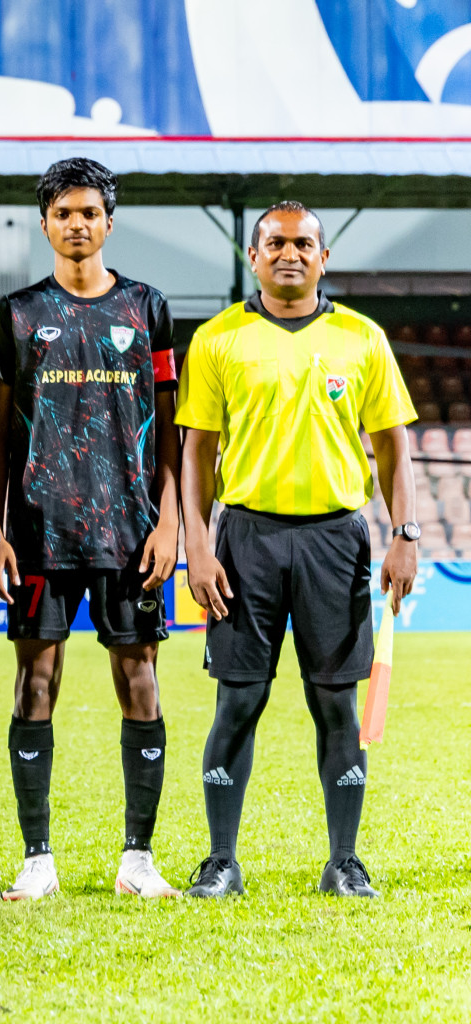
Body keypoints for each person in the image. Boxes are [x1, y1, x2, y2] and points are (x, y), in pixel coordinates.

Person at [180, 200, 418, 899]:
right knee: (239, 701)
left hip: (335, 541)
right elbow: (197, 452)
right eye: (275, 243)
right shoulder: (219, 339)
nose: (290, 253)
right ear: (252, 258)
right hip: (246, 538)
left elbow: (393, 451)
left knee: (336, 706)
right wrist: (198, 542)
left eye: (304, 244)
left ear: (323, 257)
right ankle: (221, 861)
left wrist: (404, 535)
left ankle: (344, 861)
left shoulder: (363, 339)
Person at [0, 158, 182, 901]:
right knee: (36, 680)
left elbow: (171, 426)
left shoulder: (147, 307)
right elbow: (1, 432)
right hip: (39, 531)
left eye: (89, 212)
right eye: (63, 213)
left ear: (109, 220)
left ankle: (139, 860)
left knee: (139, 678)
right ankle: (37, 861)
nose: (77, 224)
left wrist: (167, 521)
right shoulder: (14, 314)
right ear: (45, 223)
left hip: (131, 533)